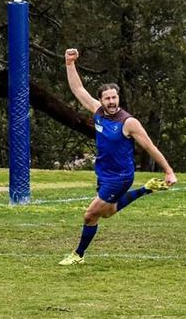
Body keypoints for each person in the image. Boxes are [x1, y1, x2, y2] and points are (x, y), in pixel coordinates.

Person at [58, 48, 177, 265]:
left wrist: (168, 170)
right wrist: (69, 63)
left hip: (120, 177)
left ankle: (78, 255)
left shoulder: (128, 122)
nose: (111, 101)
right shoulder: (98, 112)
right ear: (101, 100)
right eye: (107, 98)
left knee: (90, 215)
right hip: (104, 172)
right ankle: (146, 189)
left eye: (114, 97)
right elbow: (78, 89)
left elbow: (150, 147)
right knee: (108, 212)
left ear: (118, 98)